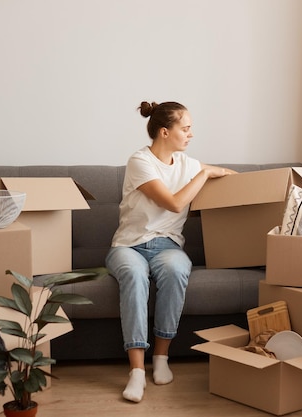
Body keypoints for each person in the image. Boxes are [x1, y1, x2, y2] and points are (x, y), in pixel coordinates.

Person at [105, 101, 236, 403]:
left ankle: (161, 359)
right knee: (135, 276)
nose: (191, 134)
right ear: (165, 132)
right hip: (128, 245)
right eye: (186, 128)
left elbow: (233, 180)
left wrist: (227, 176)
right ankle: (137, 371)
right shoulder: (140, 162)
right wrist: (204, 174)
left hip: (168, 246)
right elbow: (175, 203)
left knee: (177, 269)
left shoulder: (188, 164)